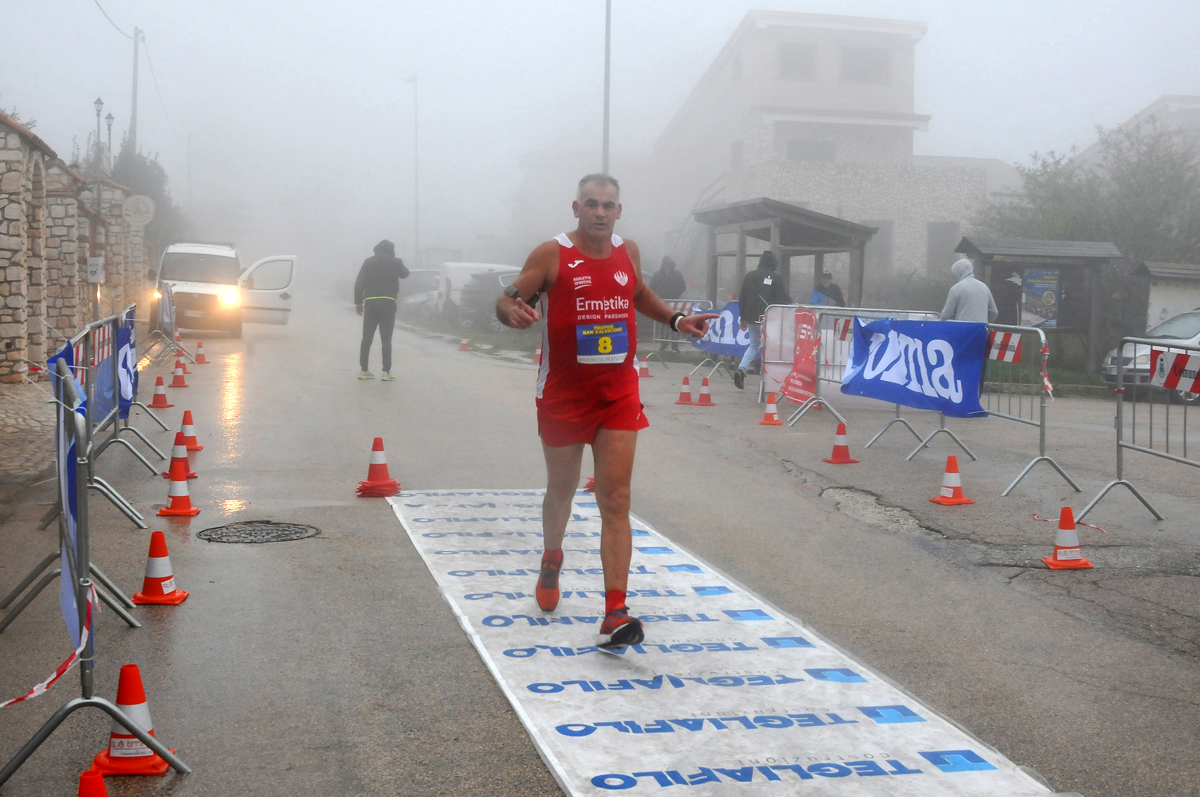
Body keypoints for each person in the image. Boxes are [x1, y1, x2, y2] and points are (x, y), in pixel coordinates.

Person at [495, 174, 717, 650]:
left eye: (608, 205)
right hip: (563, 394)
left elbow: (639, 294)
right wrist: (509, 310)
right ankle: (552, 557)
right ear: (576, 209)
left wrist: (677, 319)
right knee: (562, 490)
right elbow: (508, 296)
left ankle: (615, 611)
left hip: (617, 392)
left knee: (615, 498)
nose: (599, 212)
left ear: (619, 211)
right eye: (591, 204)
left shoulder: (627, 251)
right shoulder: (551, 254)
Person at [732, 250, 791, 390]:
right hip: (770, 319)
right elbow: (781, 300)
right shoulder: (776, 278)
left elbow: (742, 298)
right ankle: (767, 379)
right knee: (770, 348)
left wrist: (743, 318)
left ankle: (742, 369)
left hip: (752, 318)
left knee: (753, 345)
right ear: (773, 263)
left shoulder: (750, 276)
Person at [354, 240, 409, 380]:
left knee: (367, 337)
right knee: (386, 338)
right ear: (391, 250)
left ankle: (364, 370)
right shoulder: (395, 262)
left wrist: (358, 302)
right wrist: (394, 259)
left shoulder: (368, 262)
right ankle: (386, 372)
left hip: (371, 302)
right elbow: (405, 274)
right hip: (388, 302)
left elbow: (359, 283)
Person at [940, 258, 998, 323]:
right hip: (981, 328)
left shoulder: (956, 288)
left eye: (954, 275)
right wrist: (986, 322)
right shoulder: (984, 287)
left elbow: (947, 314)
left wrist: (940, 322)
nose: (954, 278)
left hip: (962, 327)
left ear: (958, 272)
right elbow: (994, 312)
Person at [649, 257, 688, 351]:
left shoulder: (677, 274)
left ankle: (675, 345)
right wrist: (658, 298)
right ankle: (664, 344)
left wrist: (674, 297)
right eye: (665, 264)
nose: (667, 266)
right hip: (662, 303)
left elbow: (682, 286)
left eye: (669, 264)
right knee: (662, 325)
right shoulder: (657, 275)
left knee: (675, 323)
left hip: (675, 303)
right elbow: (651, 288)